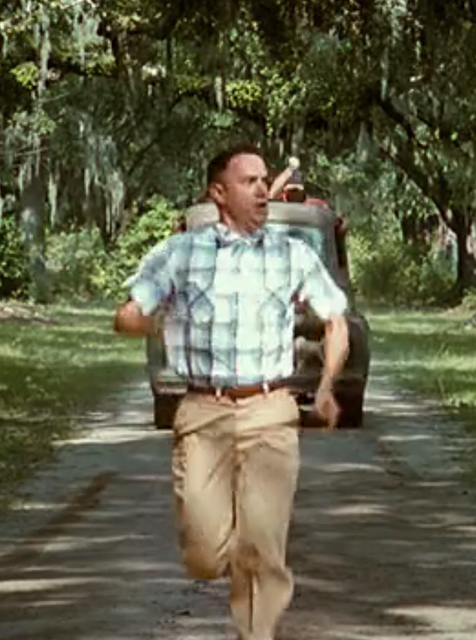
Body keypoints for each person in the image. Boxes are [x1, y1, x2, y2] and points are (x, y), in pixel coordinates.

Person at [113, 143, 351, 640]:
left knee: (263, 548)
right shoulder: (180, 254)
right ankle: (229, 561)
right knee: (204, 555)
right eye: (249, 181)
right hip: (203, 412)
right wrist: (144, 321)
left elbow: (336, 320)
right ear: (218, 193)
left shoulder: (292, 254)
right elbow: (128, 314)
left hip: (270, 410)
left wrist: (326, 386)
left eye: (265, 179)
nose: (263, 189)